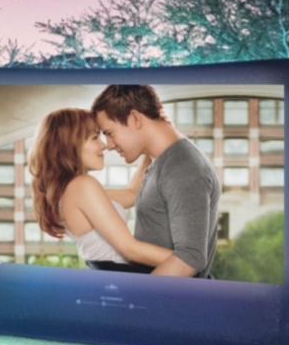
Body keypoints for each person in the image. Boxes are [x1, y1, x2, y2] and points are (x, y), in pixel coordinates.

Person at [28, 105, 200, 273]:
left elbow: (131, 194)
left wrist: (150, 143)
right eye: (95, 137)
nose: (104, 145)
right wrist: (191, 259)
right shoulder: (82, 186)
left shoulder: (68, 193)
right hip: (126, 274)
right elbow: (130, 249)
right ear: (69, 145)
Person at [89, 83, 221, 276]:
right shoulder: (162, 159)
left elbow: (190, 258)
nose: (108, 145)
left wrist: (136, 299)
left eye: (109, 133)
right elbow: (130, 193)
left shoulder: (183, 166)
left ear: (135, 118)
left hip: (168, 302)